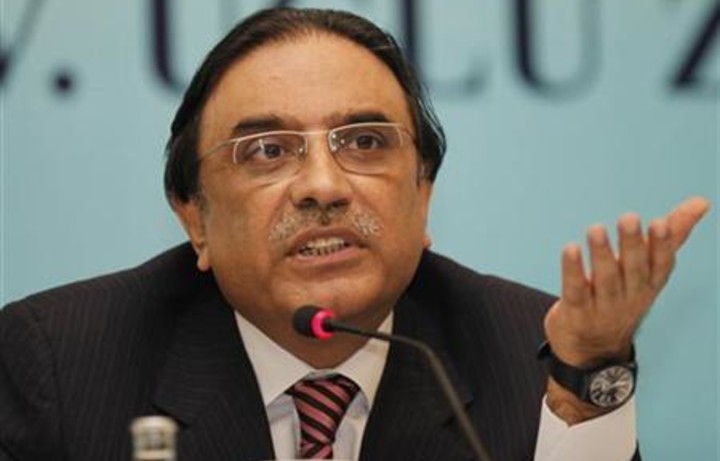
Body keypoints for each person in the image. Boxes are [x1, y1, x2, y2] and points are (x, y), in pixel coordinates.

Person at [0, 7, 710, 461]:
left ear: (423, 195)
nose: (323, 185)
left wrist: (585, 383)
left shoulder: (538, 356)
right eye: (267, 150)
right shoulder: (59, 363)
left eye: (365, 142)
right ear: (195, 217)